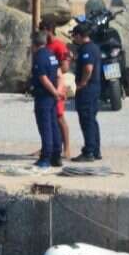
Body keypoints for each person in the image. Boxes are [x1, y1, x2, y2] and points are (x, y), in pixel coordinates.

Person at [29, 30, 62, 169]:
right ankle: (56, 155)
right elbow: (59, 74)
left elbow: (43, 78)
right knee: (54, 125)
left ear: (34, 43)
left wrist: (54, 92)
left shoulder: (39, 57)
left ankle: (46, 157)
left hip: (44, 96)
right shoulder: (51, 54)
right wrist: (58, 91)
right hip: (52, 96)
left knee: (45, 126)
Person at [70, 22, 103, 162]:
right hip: (95, 87)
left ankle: (89, 151)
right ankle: (95, 150)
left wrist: (82, 83)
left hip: (87, 89)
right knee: (92, 119)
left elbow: (88, 68)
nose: (73, 38)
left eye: (74, 35)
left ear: (79, 35)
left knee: (86, 120)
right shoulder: (94, 47)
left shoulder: (86, 49)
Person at [40, 18, 72, 159]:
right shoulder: (43, 45)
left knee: (59, 117)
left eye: (42, 30)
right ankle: (47, 146)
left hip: (57, 85)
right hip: (45, 86)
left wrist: (51, 72)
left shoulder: (59, 46)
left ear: (48, 30)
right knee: (46, 118)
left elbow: (65, 67)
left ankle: (67, 148)